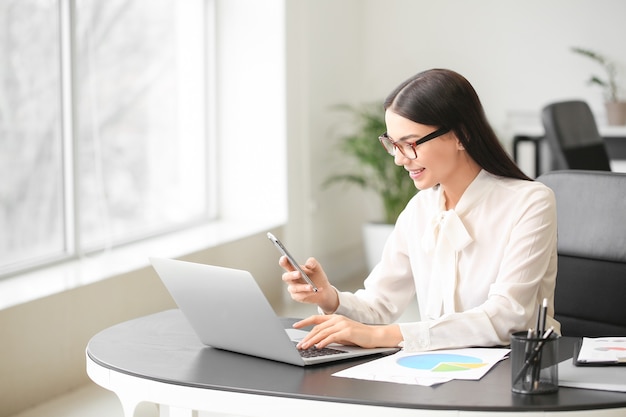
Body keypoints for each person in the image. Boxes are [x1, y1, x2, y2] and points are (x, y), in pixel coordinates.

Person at [279, 68, 559, 352]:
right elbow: (379, 305)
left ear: (461, 134)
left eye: (410, 144)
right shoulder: (420, 208)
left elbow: (506, 318)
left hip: (516, 371)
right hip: (438, 371)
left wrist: (381, 337)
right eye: (393, 144)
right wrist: (328, 297)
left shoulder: (530, 203)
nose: (400, 160)